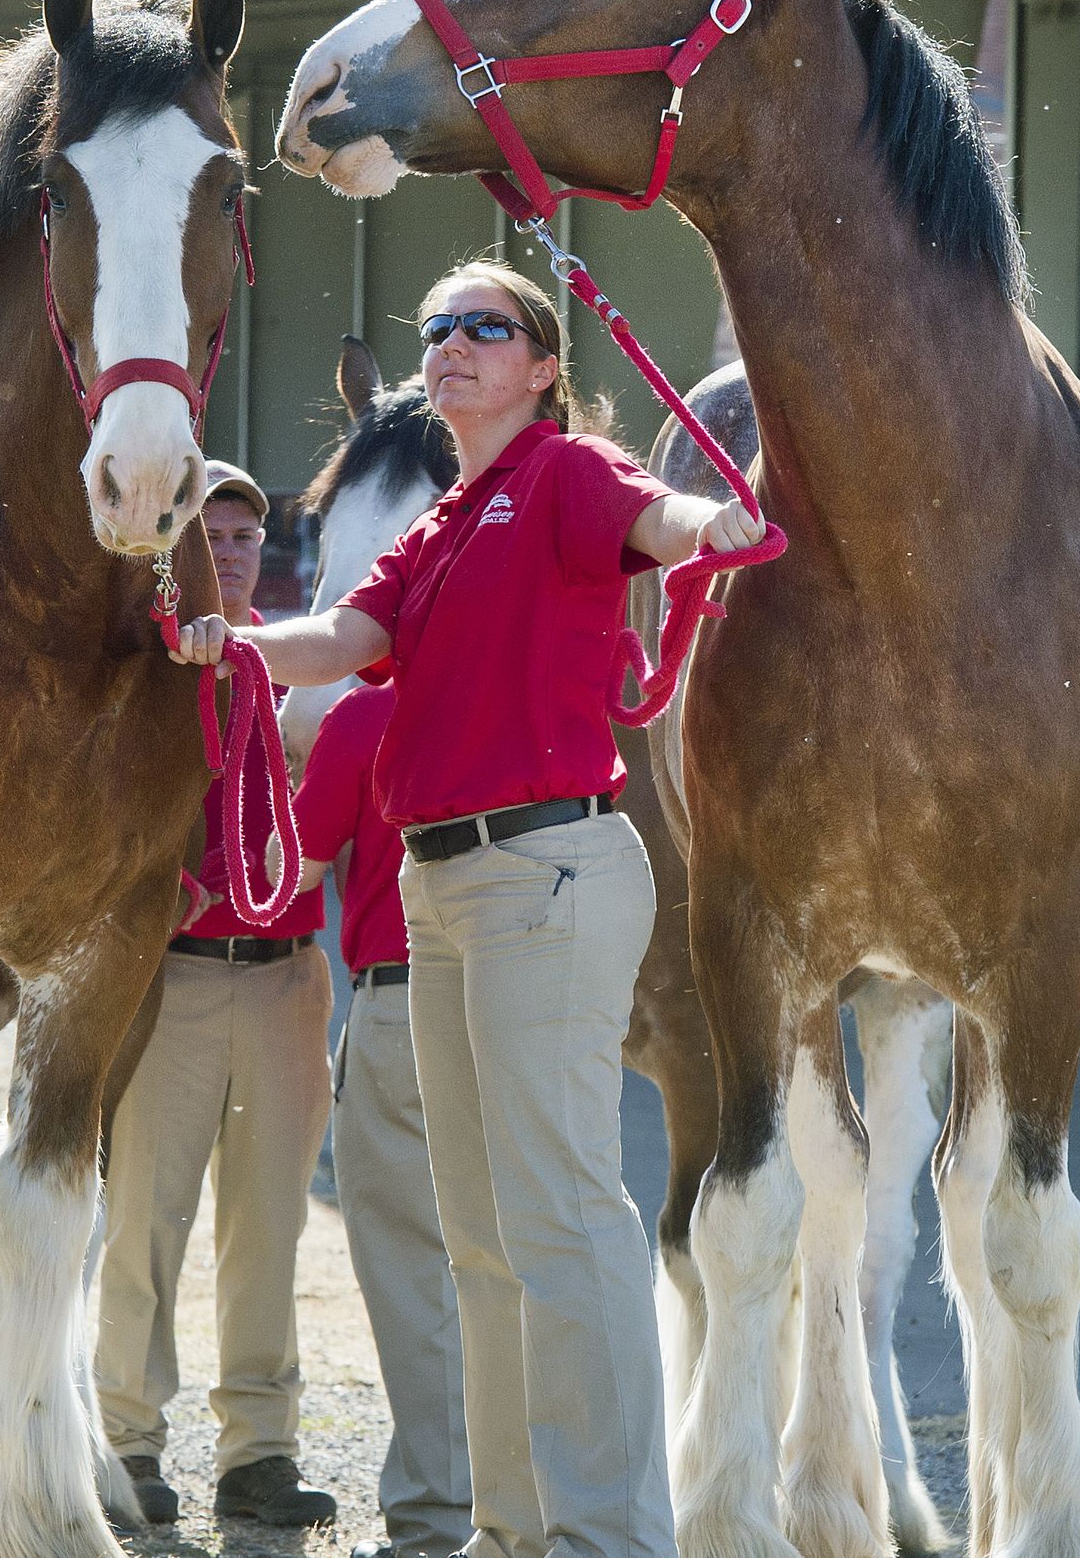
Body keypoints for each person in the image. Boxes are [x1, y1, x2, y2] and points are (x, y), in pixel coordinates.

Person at [171, 261, 760, 1558]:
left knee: (562, 1217)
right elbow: (337, 639)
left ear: (542, 364)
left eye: (483, 328)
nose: (449, 346)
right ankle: (508, 1531)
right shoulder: (440, 526)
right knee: (484, 1236)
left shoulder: (563, 470)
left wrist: (709, 527)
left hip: (542, 870)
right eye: (436, 329)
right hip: (443, 887)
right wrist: (233, 644)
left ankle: (609, 1536)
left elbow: (652, 518)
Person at [95, 460, 340, 1529]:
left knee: (270, 1225)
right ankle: (126, 1442)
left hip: (286, 977)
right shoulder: (149, 676)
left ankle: (259, 1453)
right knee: (143, 1220)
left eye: (245, 537)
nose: (231, 554)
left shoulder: (302, 667)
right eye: (212, 536)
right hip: (175, 979)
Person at [290, 675, 473, 1558]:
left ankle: (442, 1518)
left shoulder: (363, 715)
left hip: (401, 1000)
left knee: (411, 1270)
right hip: (516, 993)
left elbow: (297, 869)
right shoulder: (504, 692)